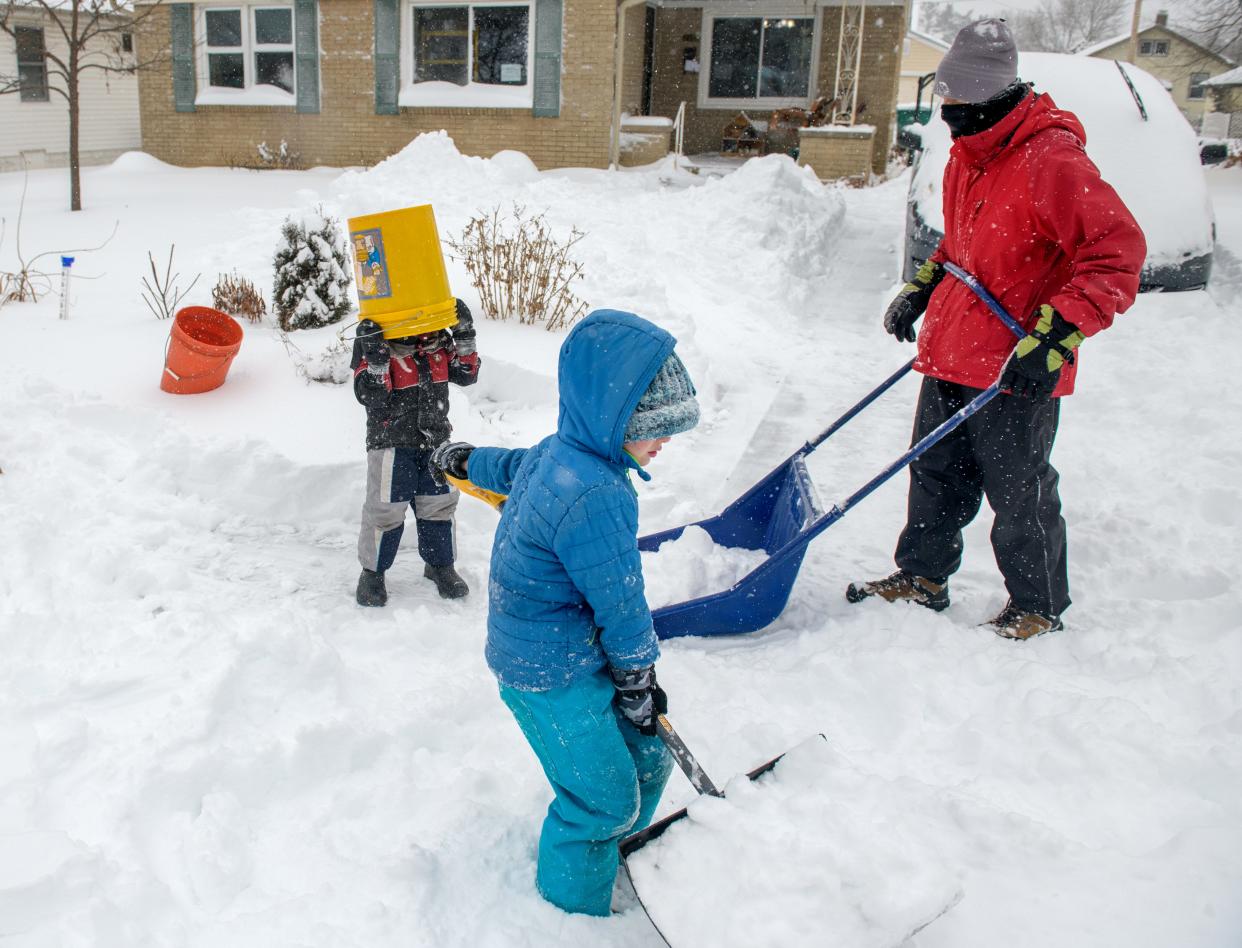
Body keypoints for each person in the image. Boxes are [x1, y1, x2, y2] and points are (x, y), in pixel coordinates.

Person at [847, 18, 1146, 640]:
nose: (947, 112)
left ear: (991, 97)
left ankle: (1037, 605)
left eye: (958, 101)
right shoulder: (969, 154)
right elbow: (963, 247)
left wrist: (1055, 339)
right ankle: (922, 578)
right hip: (954, 349)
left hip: (1017, 361)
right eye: (944, 99)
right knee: (933, 475)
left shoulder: (1051, 159)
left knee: (1019, 493)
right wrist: (922, 288)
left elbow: (1116, 254)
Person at [429, 309, 700, 916]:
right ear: (612, 420)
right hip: (548, 674)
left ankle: (614, 851)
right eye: (652, 425)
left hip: (577, 652)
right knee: (601, 801)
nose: (665, 440)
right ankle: (571, 913)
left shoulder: (564, 453)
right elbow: (621, 601)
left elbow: (507, 465)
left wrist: (464, 458)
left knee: (649, 759)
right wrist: (637, 677)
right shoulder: (597, 493)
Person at [352, 299, 480, 606]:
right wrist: (378, 360)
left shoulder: (437, 338)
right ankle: (373, 572)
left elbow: (466, 374)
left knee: (438, 504)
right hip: (390, 439)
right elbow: (370, 394)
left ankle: (440, 565)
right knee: (385, 508)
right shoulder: (375, 336)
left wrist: (464, 337)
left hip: (435, 437)